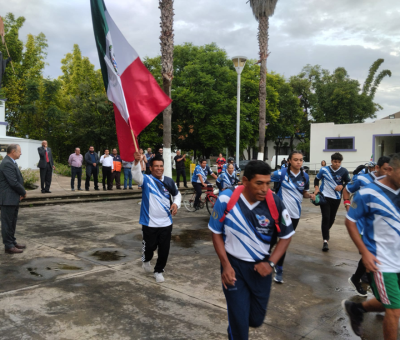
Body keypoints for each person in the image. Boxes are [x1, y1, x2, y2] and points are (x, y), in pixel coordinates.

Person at [208, 160, 294, 340]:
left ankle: (235, 326)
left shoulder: (274, 202)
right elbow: (215, 232)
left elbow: (286, 236)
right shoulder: (226, 198)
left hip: (260, 270)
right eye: (259, 183)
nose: (264, 188)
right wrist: (225, 265)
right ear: (245, 181)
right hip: (233, 268)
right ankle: (236, 329)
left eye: (268, 183)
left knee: (255, 319)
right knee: (240, 325)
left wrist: (271, 263)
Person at [342, 153, 400, 340]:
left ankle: (357, 307)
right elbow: (350, 221)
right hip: (382, 261)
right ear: (389, 170)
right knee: (394, 310)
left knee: (390, 303)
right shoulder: (368, 192)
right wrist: (365, 253)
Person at [343, 156, 390, 297]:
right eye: (385, 169)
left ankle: (358, 279)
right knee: (370, 256)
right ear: (377, 168)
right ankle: (378, 295)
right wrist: (348, 206)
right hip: (361, 226)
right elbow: (346, 190)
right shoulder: (362, 179)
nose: (388, 172)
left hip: (379, 227)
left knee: (371, 257)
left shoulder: (390, 183)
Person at [131, 152, 181, 283]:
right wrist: (136, 163)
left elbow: (177, 195)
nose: (159, 168)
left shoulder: (169, 181)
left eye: (161, 166)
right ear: (151, 168)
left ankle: (159, 270)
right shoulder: (146, 180)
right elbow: (136, 176)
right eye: (156, 166)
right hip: (149, 223)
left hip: (166, 223)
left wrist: (176, 203)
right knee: (149, 248)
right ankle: (146, 260)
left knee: (164, 250)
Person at [270, 151, 315, 283]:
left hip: (295, 214)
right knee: (274, 239)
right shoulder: (281, 173)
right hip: (280, 213)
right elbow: (265, 180)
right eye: (295, 160)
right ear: (289, 161)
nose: (298, 162)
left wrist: (311, 196)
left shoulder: (305, 176)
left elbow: (304, 193)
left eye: (301, 160)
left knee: (284, 241)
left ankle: (277, 266)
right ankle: (275, 266)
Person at [314, 152, 350, 251]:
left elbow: (348, 182)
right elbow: (316, 180)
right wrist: (316, 189)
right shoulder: (324, 170)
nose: (337, 164)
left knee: (332, 219)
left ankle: (325, 231)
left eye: (339, 162)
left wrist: (342, 186)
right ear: (331, 161)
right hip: (325, 197)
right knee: (325, 217)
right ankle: (325, 241)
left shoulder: (344, 171)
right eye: (335, 162)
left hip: (336, 198)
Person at [0, 144, 27, 254]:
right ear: (13, 151)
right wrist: (23, 192)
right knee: (7, 223)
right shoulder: (7, 163)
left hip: (13, 197)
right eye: (19, 151)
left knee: (12, 222)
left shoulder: (11, 162)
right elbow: (13, 182)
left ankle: (12, 241)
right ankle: (8, 246)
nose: (21, 153)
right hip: (7, 198)